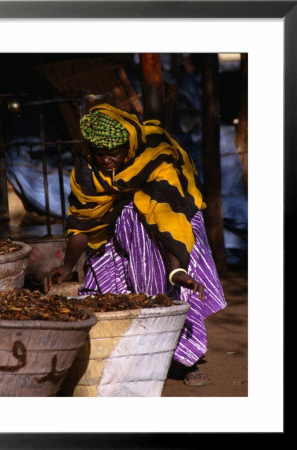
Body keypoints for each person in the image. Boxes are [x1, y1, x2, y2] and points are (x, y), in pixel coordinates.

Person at [44, 103, 226, 386]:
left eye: (112, 154)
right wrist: (68, 265)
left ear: (126, 147)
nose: (105, 161)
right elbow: (83, 218)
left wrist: (176, 269)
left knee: (170, 289)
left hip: (174, 228)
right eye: (99, 154)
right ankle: (130, 356)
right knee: (107, 275)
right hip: (120, 228)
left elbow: (170, 217)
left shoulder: (158, 156)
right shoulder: (87, 168)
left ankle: (184, 361)